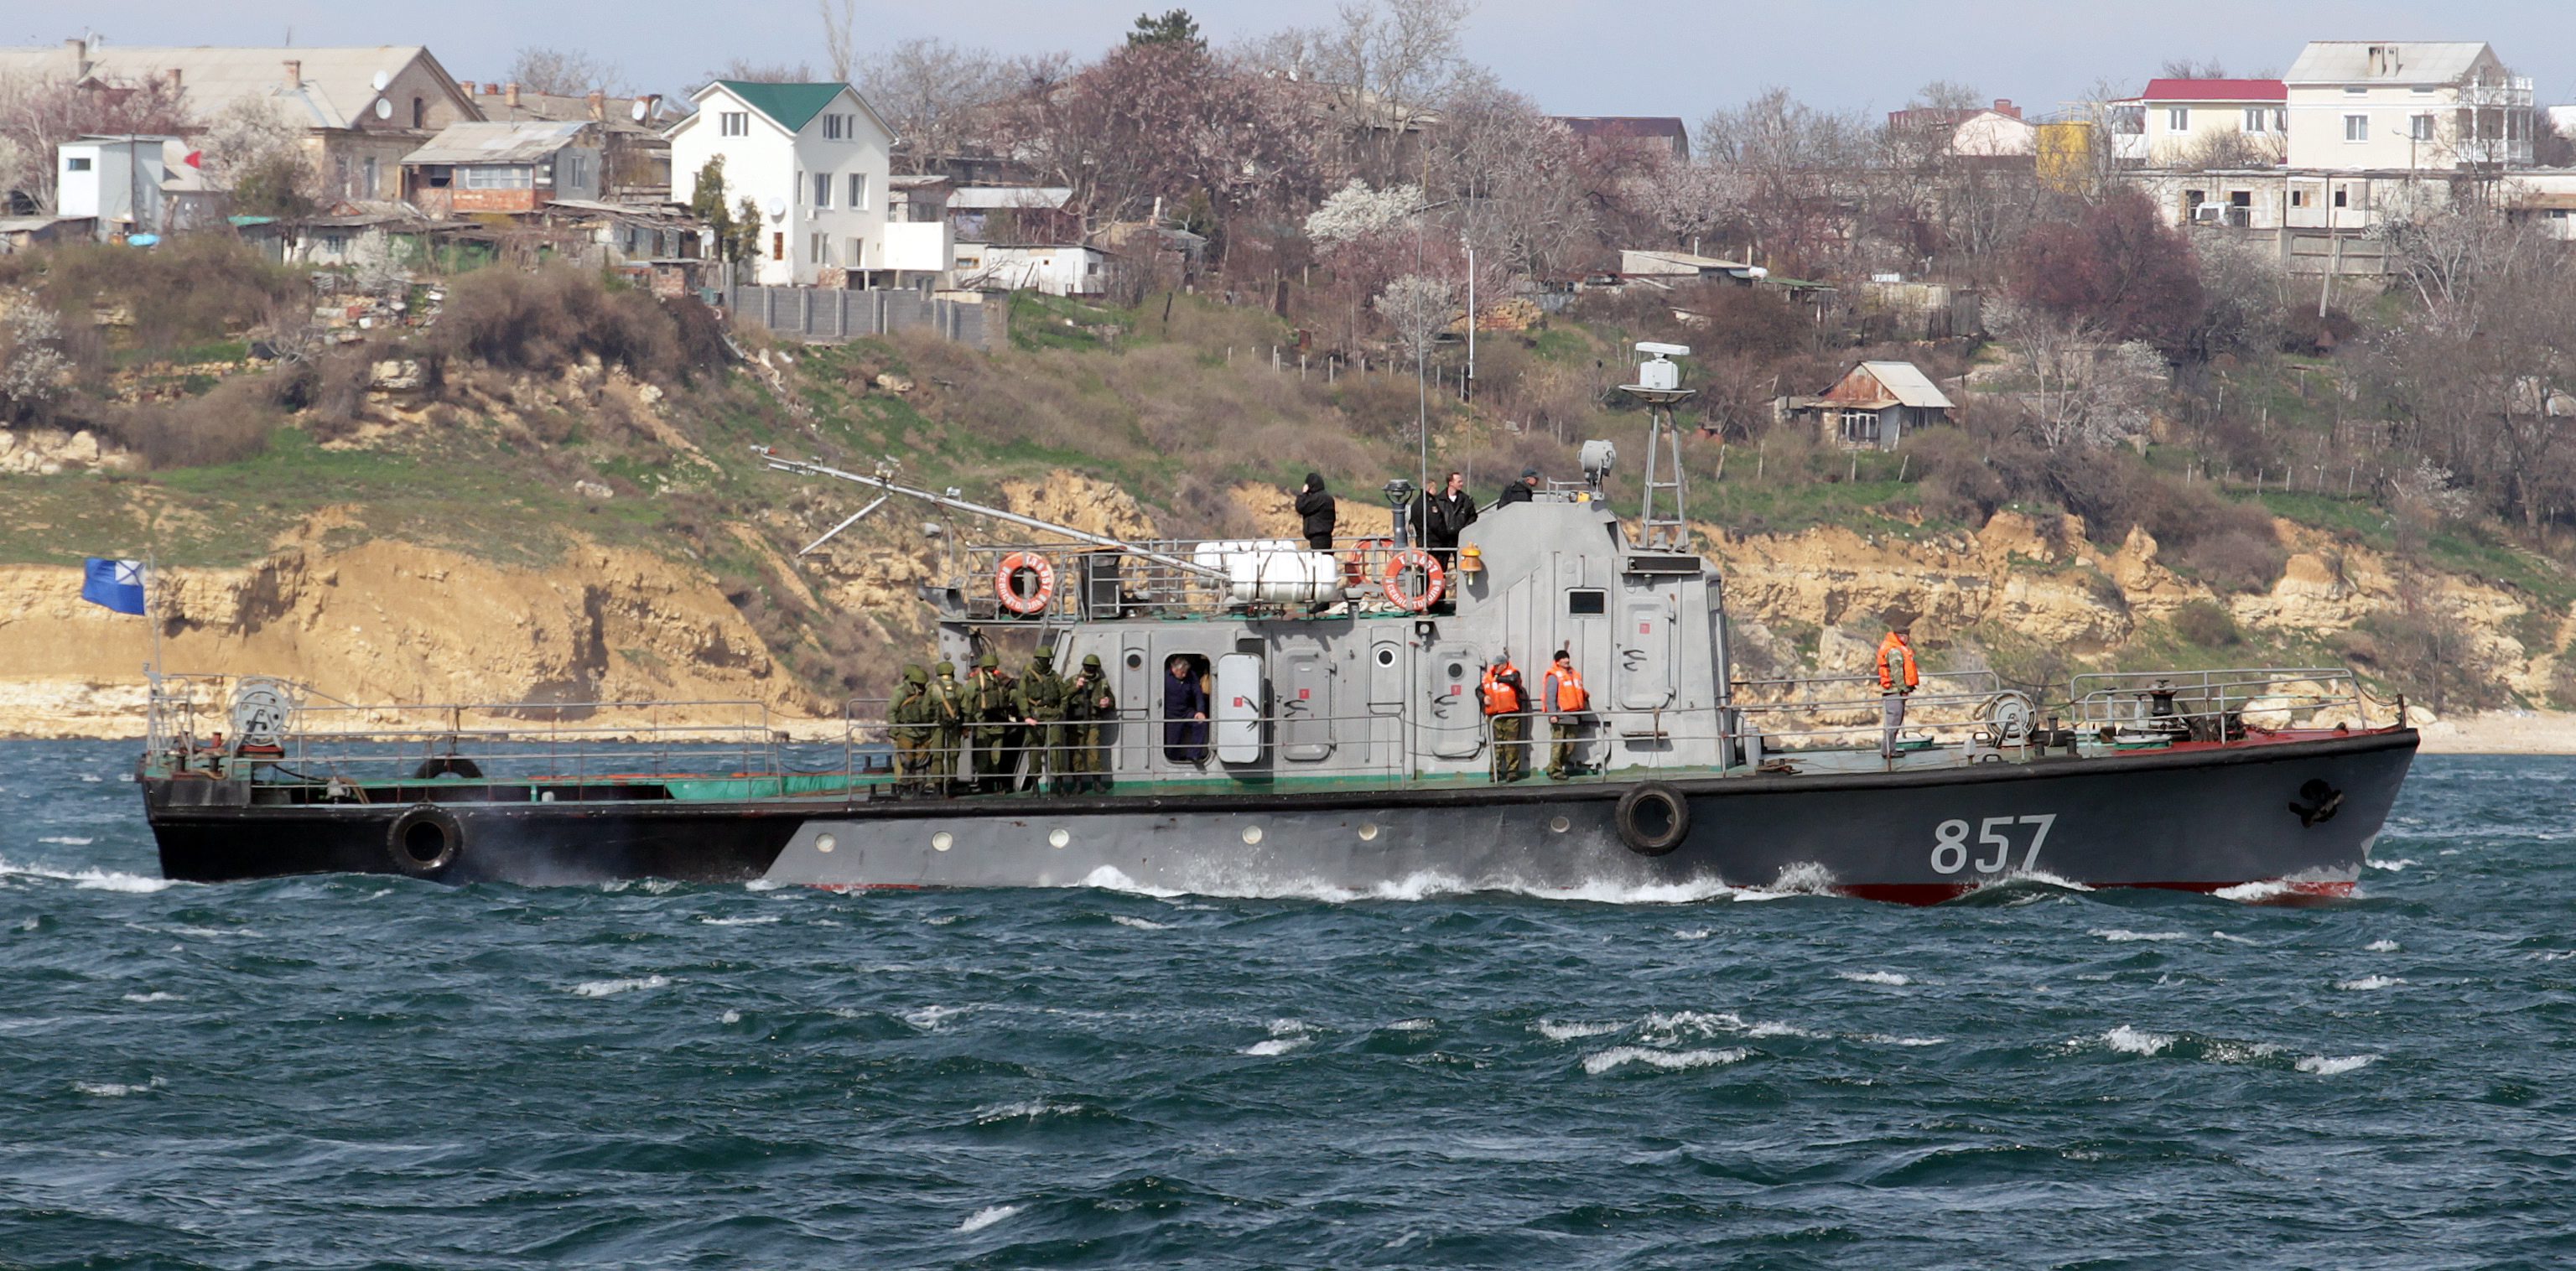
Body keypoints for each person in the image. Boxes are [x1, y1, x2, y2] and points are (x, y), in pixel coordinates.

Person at [1015, 647, 1069, 792]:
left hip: (1053, 715)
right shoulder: (1028, 676)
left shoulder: (1054, 676)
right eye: (1043, 659)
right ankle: (1034, 783)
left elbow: (1064, 696)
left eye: (1047, 659)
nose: (1045, 662)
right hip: (1035, 716)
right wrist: (1026, 716)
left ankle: (1059, 782)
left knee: (1056, 748)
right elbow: (1021, 696)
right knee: (1034, 749)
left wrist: (1061, 711)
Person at [1064, 653, 1117, 793]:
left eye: (1092, 668)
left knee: (1094, 753)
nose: (1090, 670)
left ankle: (1097, 783)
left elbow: (1112, 702)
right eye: (1088, 667)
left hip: (1093, 722)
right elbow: (1062, 697)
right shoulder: (1074, 680)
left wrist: (1107, 702)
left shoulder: (1102, 683)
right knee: (1076, 754)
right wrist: (1076, 687)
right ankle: (1077, 783)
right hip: (1076, 723)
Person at [967, 651, 1020, 792]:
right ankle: (986, 785)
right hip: (983, 724)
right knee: (984, 757)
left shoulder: (997, 681)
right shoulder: (976, 682)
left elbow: (1008, 696)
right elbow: (968, 702)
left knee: (995, 757)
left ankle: (993, 783)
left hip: (997, 724)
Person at [1414, 470, 1478, 573]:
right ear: (1451, 483)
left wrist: (1465, 530)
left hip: (1460, 539)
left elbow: (1473, 517)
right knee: (1440, 569)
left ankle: (1460, 588)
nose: (1462, 484)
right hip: (1443, 541)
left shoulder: (1466, 501)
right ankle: (1440, 588)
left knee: (1463, 569)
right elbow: (1435, 520)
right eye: (1459, 481)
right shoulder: (1438, 501)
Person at [1480, 651, 1530, 782]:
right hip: (1494, 716)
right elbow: (1479, 690)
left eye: (1497, 665)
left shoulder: (1513, 673)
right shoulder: (1488, 677)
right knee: (1496, 745)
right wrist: (1483, 697)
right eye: (1494, 666)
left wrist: (1499, 678)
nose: (1495, 668)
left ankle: (1512, 772)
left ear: (1504, 665)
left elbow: (1514, 680)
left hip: (1510, 716)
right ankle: (1494, 772)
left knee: (1511, 745)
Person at [1877, 617, 1920, 760]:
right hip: (1894, 691)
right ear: (1902, 636)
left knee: (1894, 720)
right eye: (1907, 637)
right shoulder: (1895, 651)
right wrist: (1903, 689)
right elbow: (1897, 673)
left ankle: (1890, 749)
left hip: (1893, 690)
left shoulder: (1893, 647)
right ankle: (1889, 751)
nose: (1908, 640)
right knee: (1894, 720)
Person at [1542, 649, 1589, 780]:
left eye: (1567, 658)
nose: (1567, 660)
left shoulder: (1575, 675)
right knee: (1558, 745)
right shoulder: (1554, 676)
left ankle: (1555, 767)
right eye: (1563, 658)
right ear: (1557, 661)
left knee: (1570, 745)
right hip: (1560, 716)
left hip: (1573, 716)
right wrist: (1552, 714)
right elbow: (1550, 696)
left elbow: (1578, 692)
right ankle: (1555, 771)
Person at [889, 664, 932, 793]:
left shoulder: (927, 693)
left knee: (922, 761)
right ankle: (905, 785)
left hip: (924, 732)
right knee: (907, 761)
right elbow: (891, 711)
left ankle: (920, 785)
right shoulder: (901, 693)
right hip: (906, 732)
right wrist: (896, 731)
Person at [1162, 655, 1209, 765]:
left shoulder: (1191, 676)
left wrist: (1200, 711)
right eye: (1182, 672)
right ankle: (1172, 763)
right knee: (1172, 744)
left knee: (1200, 723)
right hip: (1171, 714)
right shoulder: (1165, 677)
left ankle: (1194, 754)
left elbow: (1198, 694)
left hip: (1186, 711)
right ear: (1174, 669)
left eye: (1186, 672)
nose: (1184, 674)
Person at [928, 661, 967, 791]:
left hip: (937, 726)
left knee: (937, 754)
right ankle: (951, 781)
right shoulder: (959, 688)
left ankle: (938, 784)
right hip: (954, 726)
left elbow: (925, 708)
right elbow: (967, 708)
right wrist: (965, 725)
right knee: (953, 754)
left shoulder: (933, 688)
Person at [1294, 472, 1337, 551]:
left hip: (1318, 538)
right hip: (1324, 537)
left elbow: (1300, 507)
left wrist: (1304, 493)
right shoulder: (1326, 497)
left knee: (1318, 560)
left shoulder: (1319, 498)